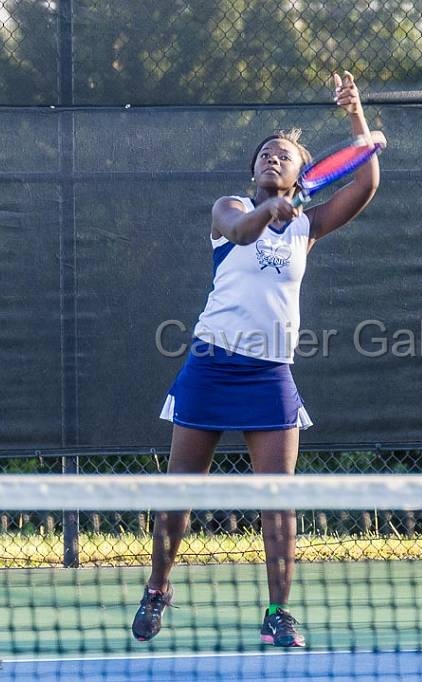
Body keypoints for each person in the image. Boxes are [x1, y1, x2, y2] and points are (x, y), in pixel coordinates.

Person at [131, 71, 381, 648]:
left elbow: (365, 183)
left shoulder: (307, 227)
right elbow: (240, 233)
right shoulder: (231, 207)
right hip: (211, 366)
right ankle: (158, 588)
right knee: (179, 494)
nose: (273, 157)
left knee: (279, 500)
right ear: (254, 172)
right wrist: (267, 214)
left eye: (285, 155)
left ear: (301, 175)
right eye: (265, 154)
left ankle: (277, 613)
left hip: (269, 375)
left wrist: (356, 117)